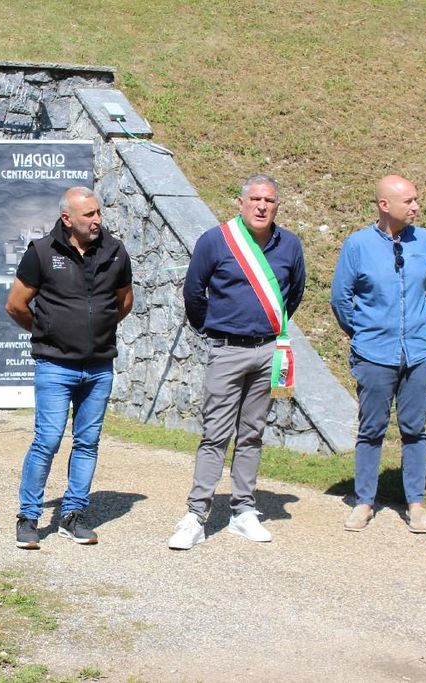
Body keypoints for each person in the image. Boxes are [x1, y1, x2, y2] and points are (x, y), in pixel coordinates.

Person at [168, 174, 305, 550]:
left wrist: (268, 325)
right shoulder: (215, 240)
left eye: (269, 201)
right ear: (241, 203)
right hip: (227, 351)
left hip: (268, 351)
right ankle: (196, 515)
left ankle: (243, 510)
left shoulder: (290, 245)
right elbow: (193, 291)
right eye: (255, 199)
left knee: (252, 434)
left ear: (277, 206)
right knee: (215, 434)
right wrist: (211, 326)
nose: (262, 206)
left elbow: (295, 293)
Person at [6, 186, 134, 550]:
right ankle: (28, 517)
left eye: (98, 212)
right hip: (54, 366)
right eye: (88, 214)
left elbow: (124, 302)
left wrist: (97, 329)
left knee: (87, 442)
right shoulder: (41, 252)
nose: (97, 220)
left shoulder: (115, 251)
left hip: (99, 367)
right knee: (47, 440)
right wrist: (47, 331)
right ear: (67, 218)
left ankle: (73, 515)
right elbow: (15, 305)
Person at [331, 175, 426, 533]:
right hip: (374, 354)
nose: (416, 207)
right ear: (384, 205)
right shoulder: (358, 245)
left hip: (419, 352)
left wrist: (417, 326)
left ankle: (416, 504)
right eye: (408, 201)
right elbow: (341, 298)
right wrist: (364, 332)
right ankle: (364, 502)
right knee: (371, 429)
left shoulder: (425, 242)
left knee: (415, 429)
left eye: (415, 199)